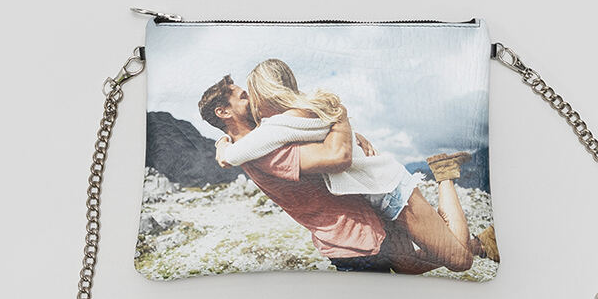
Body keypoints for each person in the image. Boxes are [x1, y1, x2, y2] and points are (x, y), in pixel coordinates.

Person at [213, 59, 498, 270]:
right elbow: (327, 131)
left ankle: (444, 174)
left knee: (459, 261)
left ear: (265, 91)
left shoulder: (278, 126)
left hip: (390, 191)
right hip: (376, 194)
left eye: (250, 94)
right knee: (407, 265)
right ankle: (476, 243)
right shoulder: (309, 110)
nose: (251, 102)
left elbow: (234, 155)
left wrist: (223, 146)